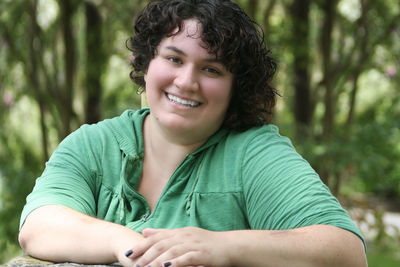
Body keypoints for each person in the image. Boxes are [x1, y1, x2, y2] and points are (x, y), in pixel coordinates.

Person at [18, 0, 367, 266]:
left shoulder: (255, 153)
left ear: (236, 87)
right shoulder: (93, 144)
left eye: (211, 69)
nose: (186, 81)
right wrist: (130, 245)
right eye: (173, 59)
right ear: (146, 63)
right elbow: (39, 225)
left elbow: (344, 251)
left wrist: (220, 246)